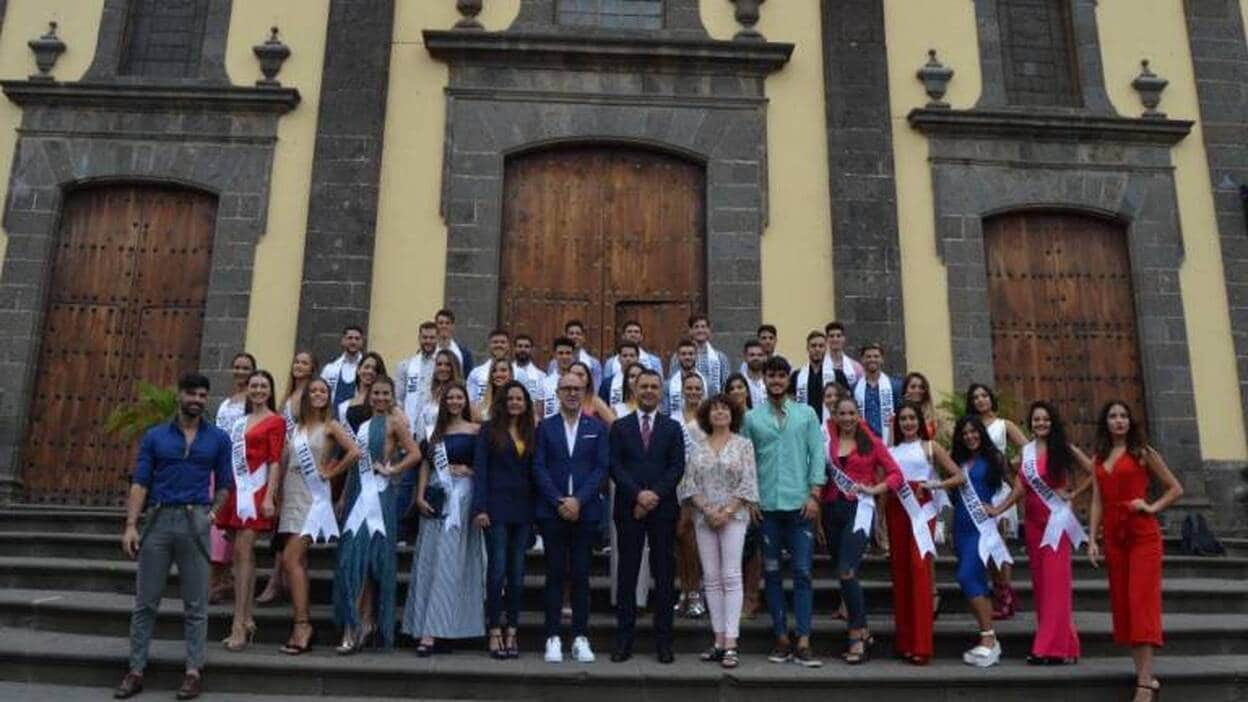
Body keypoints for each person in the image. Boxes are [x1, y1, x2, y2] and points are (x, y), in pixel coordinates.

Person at [114, 372, 233, 701]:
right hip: (158, 520)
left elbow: (225, 484)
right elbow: (140, 482)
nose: (197, 399)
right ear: (179, 395)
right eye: (191, 394)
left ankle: (193, 672)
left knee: (196, 604)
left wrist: (210, 516)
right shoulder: (155, 437)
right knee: (145, 602)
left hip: (196, 520)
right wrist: (130, 525)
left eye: (202, 395)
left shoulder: (219, 439)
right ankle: (135, 670)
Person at [1088, 401, 1183, 702]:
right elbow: (1097, 502)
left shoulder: (1143, 453)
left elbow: (1175, 488)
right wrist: (1092, 539)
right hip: (1114, 538)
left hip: (1143, 535)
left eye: (1124, 416)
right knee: (1125, 607)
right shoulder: (1099, 457)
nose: (1119, 421)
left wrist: (1151, 506)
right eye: (1113, 416)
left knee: (1141, 602)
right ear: (1106, 423)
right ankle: (1146, 676)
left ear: (1130, 422)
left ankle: (1143, 684)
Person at [991, 401, 1091, 665]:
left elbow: (1095, 471)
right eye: (1036, 420)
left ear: (1052, 421)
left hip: (1056, 523)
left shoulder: (1064, 448)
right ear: (1030, 423)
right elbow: (1020, 487)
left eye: (1045, 419)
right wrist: (997, 509)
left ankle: (1048, 648)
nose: (1041, 424)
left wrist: (1075, 494)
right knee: (1043, 586)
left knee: (1056, 586)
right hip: (1034, 524)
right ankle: (1066, 645)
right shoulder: (1027, 452)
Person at [742, 356, 826, 667]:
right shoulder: (751, 418)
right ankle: (780, 637)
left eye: (781, 376)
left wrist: (815, 494)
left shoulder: (806, 415)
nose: (776, 381)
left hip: (800, 507)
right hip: (767, 509)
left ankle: (803, 639)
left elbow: (817, 454)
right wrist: (750, 500)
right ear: (763, 379)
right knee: (773, 574)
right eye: (771, 376)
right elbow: (746, 462)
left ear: (788, 380)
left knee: (803, 573)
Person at [333, 374, 421, 653]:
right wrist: (344, 497)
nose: (381, 398)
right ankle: (357, 622)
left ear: (393, 396)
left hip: (379, 497)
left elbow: (415, 453)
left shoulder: (396, 422)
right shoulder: (364, 424)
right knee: (351, 560)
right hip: (358, 495)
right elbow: (354, 463)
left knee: (372, 562)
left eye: (386, 394)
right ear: (369, 396)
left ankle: (363, 623)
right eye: (376, 393)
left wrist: (392, 470)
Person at [607, 369, 685, 664]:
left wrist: (653, 496)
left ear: (661, 392)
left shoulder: (672, 428)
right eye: (644, 386)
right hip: (629, 509)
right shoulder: (620, 426)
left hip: (663, 511)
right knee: (627, 576)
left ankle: (664, 642)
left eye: (654, 386)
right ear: (635, 390)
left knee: (664, 576)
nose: (649, 391)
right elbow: (614, 465)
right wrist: (638, 495)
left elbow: (677, 467)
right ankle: (624, 640)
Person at [276, 377, 358, 655]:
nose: (318, 394)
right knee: (297, 561)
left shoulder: (331, 426)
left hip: (313, 499)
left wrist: (332, 473)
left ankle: (303, 625)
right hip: (291, 494)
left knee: (290, 558)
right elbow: (285, 463)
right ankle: (301, 622)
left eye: (323, 391)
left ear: (329, 396)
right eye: (314, 391)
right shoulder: (297, 428)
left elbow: (355, 452)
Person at [533, 371, 610, 663]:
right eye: (566, 388)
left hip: (585, 511)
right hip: (552, 512)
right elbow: (538, 467)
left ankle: (580, 637)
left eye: (577, 389)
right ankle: (552, 636)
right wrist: (558, 500)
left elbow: (601, 468)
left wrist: (578, 499)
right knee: (554, 575)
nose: (572, 393)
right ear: (558, 393)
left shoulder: (596, 427)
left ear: (585, 392)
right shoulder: (546, 428)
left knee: (580, 575)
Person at [404, 381, 485, 655]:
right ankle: (426, 625)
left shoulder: (476, 431)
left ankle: (441, 629)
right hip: (436, 499)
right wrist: (419, 496)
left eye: (459, 397)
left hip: (462, 501)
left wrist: (468, 470)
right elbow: (426, 464)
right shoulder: (434, 433)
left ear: (466, 401)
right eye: (450, 397)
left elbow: (484, 467)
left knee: (451, 563)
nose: (454, 402)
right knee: (430, 561)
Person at [678, 394, 758, 669]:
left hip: (733, 517)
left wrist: (726, 511)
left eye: (725, 408)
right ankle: (718, 640)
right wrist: (708, 509)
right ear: (706, 416)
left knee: (732, 575)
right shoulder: (698, 448)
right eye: (715, 409)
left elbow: (748, 482)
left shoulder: (744, 445)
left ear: (733, 414)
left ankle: (732, 642)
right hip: (704, 518)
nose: (720, 412)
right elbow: (689, 484)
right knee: (710, 578)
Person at [822, 396, 903, 665]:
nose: (846, 418)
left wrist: (874, 489)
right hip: (832, 511)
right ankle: (862, 629)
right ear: (834, 415)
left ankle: (857, 632)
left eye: (851, 413)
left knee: (847, 569)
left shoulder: (871, 442)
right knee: (842, 572)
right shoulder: (828, 442)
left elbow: (895, 475)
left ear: (858, 416)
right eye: (841, 413)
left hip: (859, 510)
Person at [887, 401, 963, 665]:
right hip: (896, 512)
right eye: (903, 419)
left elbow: (959, 477)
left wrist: (933, 483)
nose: (908, 423)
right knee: (901, 574)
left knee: (920, 572)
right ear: (897, 424)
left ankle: (921, 644)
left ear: (920, 421)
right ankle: (905, 642)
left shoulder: (930, 447)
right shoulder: (891, 451)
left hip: (921, 513)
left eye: (912, 418)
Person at [216, 370, 286, 653]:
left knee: (244, 553)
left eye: (263, 386)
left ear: (270, 391)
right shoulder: (239, 422)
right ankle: (246, 618)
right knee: (242, 557)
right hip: (236, 492)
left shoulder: (276, 421)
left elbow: (275, 462)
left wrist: (270, 497)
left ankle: (237, 625)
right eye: (254, 385)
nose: (258, 390)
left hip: (256, 492)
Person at [472, 381, 537, 659]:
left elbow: (536, 473)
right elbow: (481, 470)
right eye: (510, 398)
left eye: (519, 398)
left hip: (524, 511)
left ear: (526, 403)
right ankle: (494, 629)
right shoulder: (488, 430)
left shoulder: (532, 431)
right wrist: (480, 508)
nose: (514, 402)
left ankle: (512, 629)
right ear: (502, 401)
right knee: (497, 571)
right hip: (496, 509)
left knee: (518, 574)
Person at [949, 415, 1013, 668]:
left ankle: (989, 638)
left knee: (966, 577)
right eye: (965, 433)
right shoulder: (960, 462)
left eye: (974, 432)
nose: (970, 437)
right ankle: (987, 639)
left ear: (981, 434)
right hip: (961, 529)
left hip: (981, 529)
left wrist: (999, 509)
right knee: (974, 580)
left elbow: (1020, 486)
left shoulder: (994, 459)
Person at [257, 350, 319, 607]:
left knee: (292, 527)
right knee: (284, 526)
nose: (298, 366)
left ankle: (278, 580)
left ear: (312, 368)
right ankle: (282, 579)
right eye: (296, 362)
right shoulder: (287, 396)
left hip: (300, 466)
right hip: (282, 462)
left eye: (304, 363)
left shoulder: (308, 396)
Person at [965, 382, 1027, 619]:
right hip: (979, 490)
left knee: (997, 542)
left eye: (984, 395)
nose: (981, 400)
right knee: (986, 544)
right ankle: (999, 589)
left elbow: (1028, 448)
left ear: (991, 399)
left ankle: (1005, 595)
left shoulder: (1004, 425)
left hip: (999, 488)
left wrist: (1011, 463)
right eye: (976, 397)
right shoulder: (971, 427)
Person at [210, 352, 256, 605]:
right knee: (217, 526)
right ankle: (220, 579)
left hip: (240, 468)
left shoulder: (252, 400)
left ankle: (223, 579)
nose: (240, 371)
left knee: (230, 528)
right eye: (237, 367)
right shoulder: (226, 401)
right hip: (220, 465)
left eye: (245, 367)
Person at [723, 374, 764, 620]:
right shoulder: (722, 420)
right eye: (732, 388)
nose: (737, 391)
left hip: (750, 492)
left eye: (741, 387)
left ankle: (751, 597)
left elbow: (758, 458)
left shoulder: (754, 419)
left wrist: (751, 496)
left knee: (752, 548)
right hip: (725, 492)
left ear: (747, 392)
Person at [674, 371, 707, 619]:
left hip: (704, 486)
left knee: (696, 540)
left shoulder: (708, 419)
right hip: (676, 484)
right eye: (690, 388)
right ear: (682, 390)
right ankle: (684, 589)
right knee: (681, 538)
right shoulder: (673, 417)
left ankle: (697, 591)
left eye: (698, 388)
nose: (693, 392)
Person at [396, 320, 440, 431]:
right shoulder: (405, 366)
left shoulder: (444, 365)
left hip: (435, 425)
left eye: (432, 338)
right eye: (425, 337)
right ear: (419, 338)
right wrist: (402, 421)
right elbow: (398, 399)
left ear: (437, 338)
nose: (428, 341)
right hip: (409, 425)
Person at [669, 314, 729, 394]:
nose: (700, 330)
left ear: (709, 330)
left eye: (703, 327)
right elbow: (673, 382)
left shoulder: (720, 357)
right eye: (696, 327)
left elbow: (725, 384)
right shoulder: (677, 357)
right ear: (690, 331)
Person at [547, 319, 602, 393]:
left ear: (583, 338)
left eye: (578, 334)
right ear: (566, 336)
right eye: (571, 333)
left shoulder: (594, 364)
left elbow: (595, 391)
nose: (575, 336)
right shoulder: (553, 363)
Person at [322, 326, 366, 406]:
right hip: (333, 416)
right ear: (343, 341)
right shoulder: (330, 369)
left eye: (357, 339)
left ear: (362, 342)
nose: (353, 342)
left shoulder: (368, 370)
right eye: (350, 338)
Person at [789, 331, 829, 419]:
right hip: (803, 425)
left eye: (821, 346)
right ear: (807, 348)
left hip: (829, 426)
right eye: (813, 346)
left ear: (826, 348)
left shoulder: (837, 375)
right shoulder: (796, 376)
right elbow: (790, 403)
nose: (817, 349)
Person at [467, 329, 511, 405]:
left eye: (503, 342)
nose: (499, 345)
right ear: (489, 345)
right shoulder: (476, 372)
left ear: (508, 346)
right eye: (495, 342)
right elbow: (470, 402)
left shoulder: (520, 373)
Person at [665, 338, 705, 416]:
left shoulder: (708, 383)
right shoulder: (668, 385)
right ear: (677, 356)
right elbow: (665, 413)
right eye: (683, 354)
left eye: (691, 354)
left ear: (696, 356)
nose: (687, 357)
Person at [542, 336, 578, 418]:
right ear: (555, 355)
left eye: (568, 353)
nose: (564, 357)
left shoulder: (579, 382)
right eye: (560, 353)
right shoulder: (545, 382)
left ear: (573, 355)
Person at [600, 341, 641, 407]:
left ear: (637, 358)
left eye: (632, 356)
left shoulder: (645, 381)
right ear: (619, 358)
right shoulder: (607, 383)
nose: (628, 359)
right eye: (625, 356)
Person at [511, 333, 548, 408]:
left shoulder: (541, 376)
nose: (523, 349)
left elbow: (540, 403)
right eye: (520, 346)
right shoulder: (506, 372)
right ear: (514, 348)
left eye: (526, 347)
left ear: (532, 349)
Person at [823, 321, 863, 388]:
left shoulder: (856, 367)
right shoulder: (821, 365)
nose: (835, 339)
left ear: (844, 338)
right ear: (827, 339)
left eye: (838, 336)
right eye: (831, 336)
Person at [473, 357, 514, 422]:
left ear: (510, 374)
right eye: (494, 371)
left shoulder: (516, 400)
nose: (498, 374)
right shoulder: (482, 403)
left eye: (503, 370)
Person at [902, 372, 940, 440]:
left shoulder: (934, 415)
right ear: (905, 390)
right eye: (913, 387)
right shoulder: (899, 415)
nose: (917, 390)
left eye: (921, 387)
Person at [435, 308, 474, 372]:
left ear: (453, 326)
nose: (444, 326)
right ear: (436, 325)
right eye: (441, 323)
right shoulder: (429, 352)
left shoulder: (464, 354)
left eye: (447, 323)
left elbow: (467, 379)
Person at [740, 339, 768, 408]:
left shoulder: (770, 381)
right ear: (745, 357)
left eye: (760, 355)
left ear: (765, 357)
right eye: (752, 355)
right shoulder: (739, 382)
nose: (756, 358)